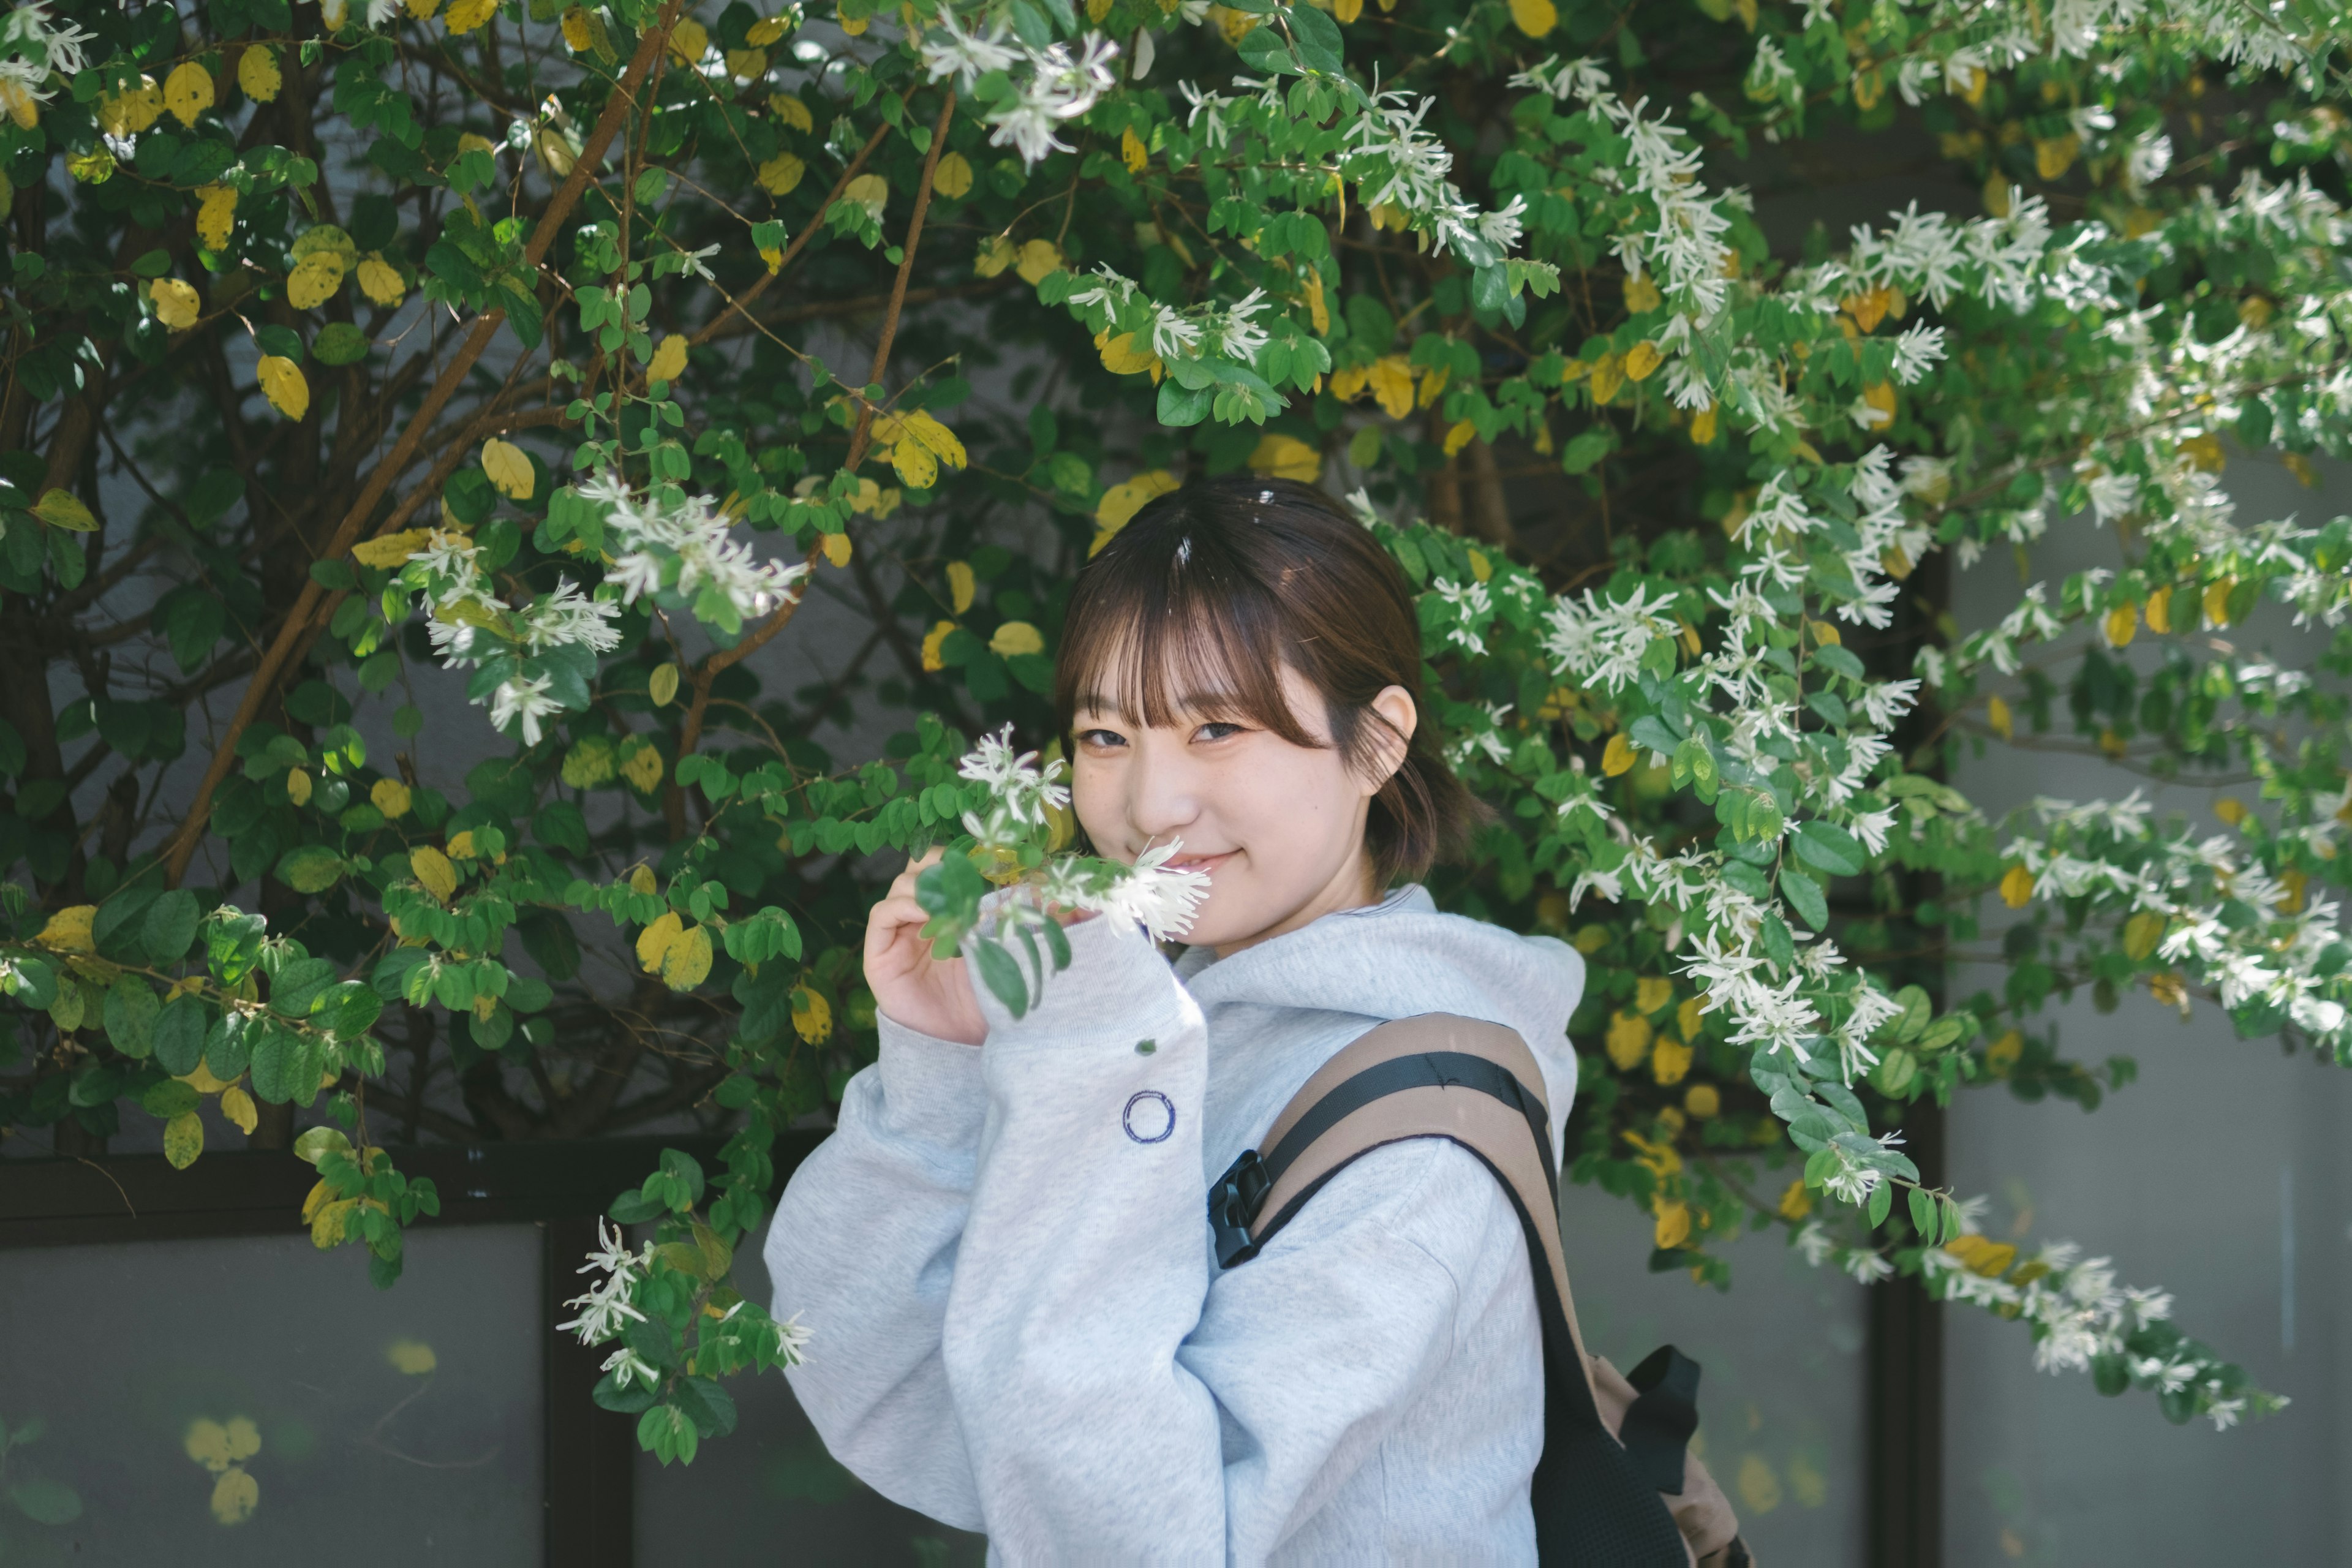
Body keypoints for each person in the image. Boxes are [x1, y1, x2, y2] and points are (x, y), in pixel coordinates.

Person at [766, 477, 1594, 1561]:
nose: (1151, 805)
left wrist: (1093, 1063)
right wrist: (947, 1066)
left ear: (1378, 743)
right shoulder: (1168, 1010)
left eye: (1217, 727)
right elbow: (900, 1398)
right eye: (1106, 736)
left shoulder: (1420, 1133)